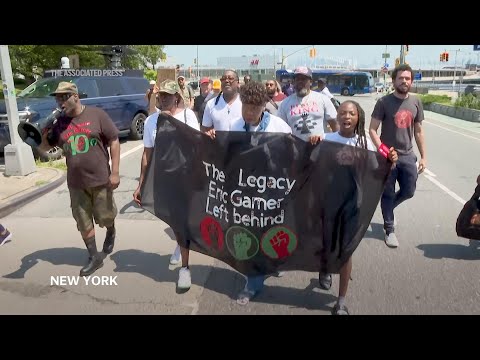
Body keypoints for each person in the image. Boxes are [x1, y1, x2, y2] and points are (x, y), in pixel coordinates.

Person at [311, 100, 398, 314]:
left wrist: (391, 160)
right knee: (327, 244)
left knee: (346, 251)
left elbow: (378, 171)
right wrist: (312, 145)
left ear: (358, 117)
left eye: (351, 113)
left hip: (353, 204)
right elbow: (310, 164)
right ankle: (326, 269)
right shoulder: (327, 139)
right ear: (337, 116)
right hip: (328, 203)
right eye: (342, 113)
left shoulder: (366, 143)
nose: (346, 117)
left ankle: (340, 302)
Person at [211, 81, 292, 306]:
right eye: (246, 106)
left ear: (264, 106)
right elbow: (225, 158)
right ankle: (253, 283)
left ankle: (272, 263)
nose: (248, 112)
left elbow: (290, 160)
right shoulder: (234, 126)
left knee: (272, 232)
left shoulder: (279, 127)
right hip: (245, 194)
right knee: (250, 235)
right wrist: (211, 140)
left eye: (254, 108)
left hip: (273, 193)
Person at [39, 82, 120, 277]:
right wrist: (41, 134)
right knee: (83, 221)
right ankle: (94, 257)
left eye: (64, 96)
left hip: (100, 179)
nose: (61, 101)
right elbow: (44, 149)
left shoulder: (97, 115)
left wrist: (115, 172)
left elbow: (114, 140)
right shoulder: (59, 124)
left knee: (106, 216)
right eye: (58, 98)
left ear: (76, 96)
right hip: (76, 183)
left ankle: (110, 230)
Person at [133, 80, 200, 291]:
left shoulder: (189, 117)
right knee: (174, 218)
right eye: (159, 96)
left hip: (186, 179)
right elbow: (147, 154)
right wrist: (141, 183)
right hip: (164, 179)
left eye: (166, 96)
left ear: (177, 98)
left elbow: (198, 147)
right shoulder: (152, 121)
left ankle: (185, 269)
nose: (161, 99)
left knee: (183, 219)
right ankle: (182, 243)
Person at [278, 66, 339, 290]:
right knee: (294, 213)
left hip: (322, 161)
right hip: (296, 163)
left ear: (311, 81)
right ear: (293, 81)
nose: (300, 82)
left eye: (304, 79)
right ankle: (286, 258)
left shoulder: (323, 100)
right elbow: (281, 133)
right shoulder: (286, 104)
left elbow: (336, 127)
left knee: (322, 216)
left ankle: (325, 268)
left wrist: (325, 138)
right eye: (297, 79)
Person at [369, 64, 426, 248]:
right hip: (387, 157)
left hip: (408, 156)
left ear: (412, 81)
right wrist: (384, 151)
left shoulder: (416, 102)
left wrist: (424, 157)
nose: (404, 81)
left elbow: (418, 131)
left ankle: (388, 209)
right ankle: (389, 228)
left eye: (407, 78)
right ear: (393, 81)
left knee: (409, 191)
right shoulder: (383, 102)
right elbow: (372, 129)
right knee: (387, 193)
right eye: (401, 78)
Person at [202, 69, 242, 135]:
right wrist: (209, 132)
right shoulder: (211, 104)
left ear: (238, 83)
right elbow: (205, 129)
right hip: (219, 145)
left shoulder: (245, 103)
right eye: (223, 79)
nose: (226, 81)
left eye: (230, 78)